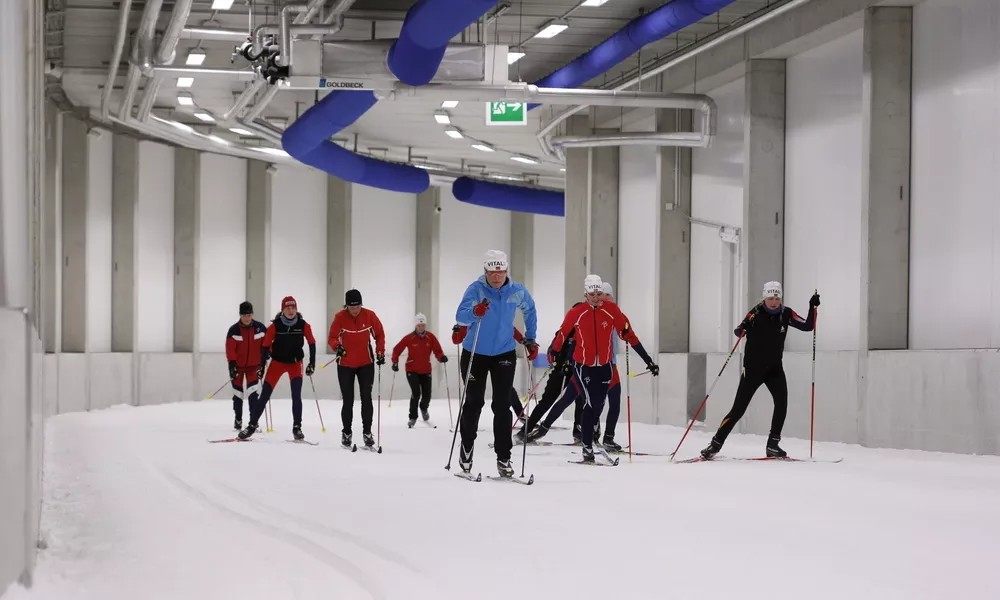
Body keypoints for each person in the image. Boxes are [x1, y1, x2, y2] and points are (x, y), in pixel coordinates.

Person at [701, 281, 819, 459]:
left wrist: (812, 307)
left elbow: (807, 326)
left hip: (774, 369)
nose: (773, 302)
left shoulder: (786, 313)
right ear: (764, 298)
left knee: (782, 403)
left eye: (777, 298)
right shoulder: (756, 312)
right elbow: (738, 330)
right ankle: (715, 445)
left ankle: (773, 445)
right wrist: (744, 329)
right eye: (770, 298)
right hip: (753, 370)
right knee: (738, 410)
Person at [549, 274, 658, 463]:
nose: (596, 298)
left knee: (598, 404)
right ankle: (587, 447)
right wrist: (554, 352)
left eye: (599, 293)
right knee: (591, 403)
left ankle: (592, 437)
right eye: (592, 294)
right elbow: (563, 333)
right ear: (585, 293)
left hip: (606, 365)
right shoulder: (577, 312)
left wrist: (648, 360)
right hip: (583, 365)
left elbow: (629, 335)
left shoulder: (611, 310)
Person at [455, 250, 538, 478]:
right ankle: (466, 450)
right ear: (486, 271)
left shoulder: (517, 290)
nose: (496, 276)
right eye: (492, 271)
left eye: (500, 271)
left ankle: (504, 458)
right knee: (474, 403)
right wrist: (474, 311)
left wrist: (530, 337)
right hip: (475, 353)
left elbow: (530, 310)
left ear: (506, 270)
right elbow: (461, 316)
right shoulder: (476, 289)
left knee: (502, 405)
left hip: (504, 352)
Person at [237, 296, 317, 440]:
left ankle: (297, 427)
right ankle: (251, 426)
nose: (291, 311)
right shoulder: (275, 326)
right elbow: (265, 345)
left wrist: (312, 363)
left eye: (293, 308)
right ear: (283, 310)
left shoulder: (303, 325)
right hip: (277, 364)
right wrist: (261, 366)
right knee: (265, 395)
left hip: (295, 364)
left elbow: (312, 342)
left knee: (296, 395)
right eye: (288, 308)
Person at [329, 289, 386, 449]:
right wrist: (337, 347)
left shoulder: (370, 315)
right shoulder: (340, 317)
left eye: (358, 306)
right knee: (348, 400)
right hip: (345, 364)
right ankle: (346, 433)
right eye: (352, 307)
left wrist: (380, 352)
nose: (355, 310)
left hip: (366, 363)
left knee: (366, 398)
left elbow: (379, 334)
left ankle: (367, 433)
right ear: (346, 306)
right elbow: (332, 337)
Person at [452, 323, 528, 420]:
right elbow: (457, 340)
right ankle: (468, 425)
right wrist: (456, 332)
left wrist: (522, 339)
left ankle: (520, 413)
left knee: (505, 389)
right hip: (477, 357)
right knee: (474, 396)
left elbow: (508, 327)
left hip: (498, 356)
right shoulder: (473, 317)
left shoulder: (498, 315)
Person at [391, 313, 447, 428]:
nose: (421, 327)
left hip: (426, 369)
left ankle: (423, 408)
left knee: (427, 395)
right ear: (416, 326)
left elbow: (437, 350)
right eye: (419, 325)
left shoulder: (430, 337)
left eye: (423, 325)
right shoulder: (409, 338)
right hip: (412, 369)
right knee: (416, 393)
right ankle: (413, 417)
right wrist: (395, 361)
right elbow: (397, 349)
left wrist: (441, 357)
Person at [225, 301, 267, 430]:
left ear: (252, 314)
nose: (247, 318)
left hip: (254, 367)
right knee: (238, 394)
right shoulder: (233, 330)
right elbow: (230, 349)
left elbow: (266, 345)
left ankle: (253, 421)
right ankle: (238, 419)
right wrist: (232, 364)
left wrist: (265, 358)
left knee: (253, 394)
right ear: (240, 315)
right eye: (244, 315)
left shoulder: (260, 328)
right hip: (237, 367)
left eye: (248, 315)